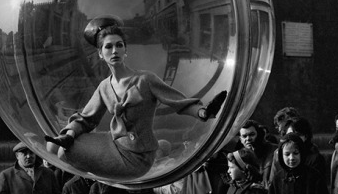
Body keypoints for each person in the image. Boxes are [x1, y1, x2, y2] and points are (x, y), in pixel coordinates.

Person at [45, 15, 227, 179]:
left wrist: (203, 113)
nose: (114, 51)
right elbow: (86, 119)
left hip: (137, 157)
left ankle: (98, 175)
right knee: (53, 147)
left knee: (63, 154)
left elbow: (179, 102)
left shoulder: (145, 80)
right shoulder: (104, 87)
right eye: (108, 47)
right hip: (113, 144)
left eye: (119, 45)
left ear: (126, 50)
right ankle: (96, 171)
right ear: (100, 54)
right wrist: (68, 135)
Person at [238, 119, 277, 187]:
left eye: (252, 134)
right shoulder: (239, 157)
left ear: (259, 135)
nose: (248, 139)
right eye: (244, 136)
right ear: (241, 139)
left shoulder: (274, 151)